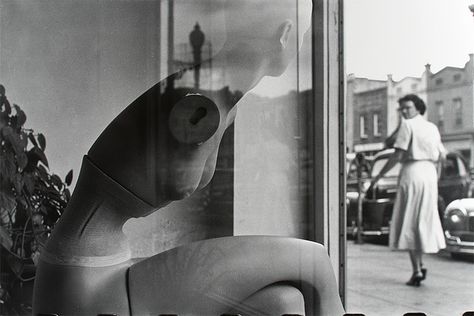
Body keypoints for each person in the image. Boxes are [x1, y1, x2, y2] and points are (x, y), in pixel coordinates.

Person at [33, 1, 345, 315]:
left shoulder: (220, 102)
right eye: (303, 35)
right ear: (285, 34)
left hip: (96, 263)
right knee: (314, 261)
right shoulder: (199, 102)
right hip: (87, 276)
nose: (302, 47)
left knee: (282, 303)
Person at [368, 94, 446, 287]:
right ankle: (419, 264)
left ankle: (417, 270)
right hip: (429, 174)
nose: (404, 112)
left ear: (418, 108)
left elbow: (398, 155)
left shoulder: (407, 125)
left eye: (407, 108)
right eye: (401, 108)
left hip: (412, 172)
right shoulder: (432, 127)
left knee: (410, 219)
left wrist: (378, 176)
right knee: (423, 218)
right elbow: (443, 156)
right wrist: (436, 175)